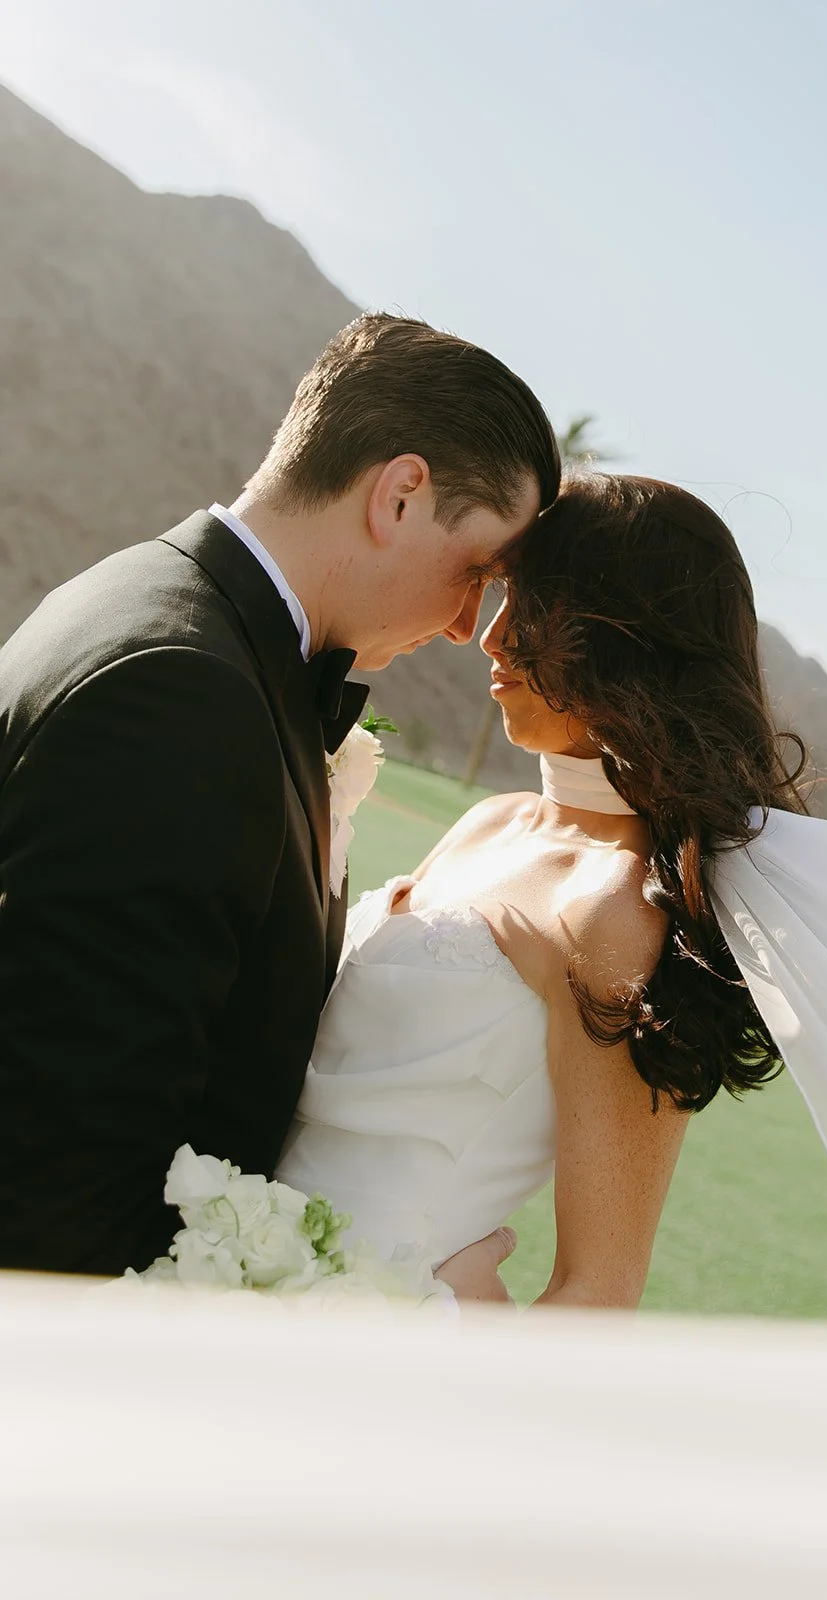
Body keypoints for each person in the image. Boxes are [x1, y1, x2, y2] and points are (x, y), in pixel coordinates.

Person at [279, 473, 827, 1322]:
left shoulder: (617, 915)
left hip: (360, 1341)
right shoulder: (487, 822)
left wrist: (442, 1322)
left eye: (535, 608)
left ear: (624, 640)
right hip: (230, 1264)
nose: (494, 638)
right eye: (503, 598)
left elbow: (598, 1292)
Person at [0, 312, 560, 1285]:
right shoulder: (181, 690)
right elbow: (62, 1177)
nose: (471, 626)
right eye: (476, 572)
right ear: (399, 495)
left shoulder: (162, 613)